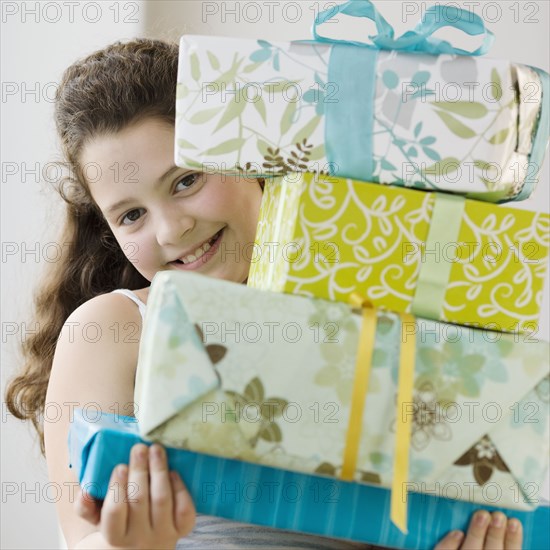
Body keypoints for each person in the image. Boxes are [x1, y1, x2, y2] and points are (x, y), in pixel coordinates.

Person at [5, 38, 524, 550]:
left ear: (254, 160)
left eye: (186, 181)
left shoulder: (375, 317)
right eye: (132, 215)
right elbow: (83, 538)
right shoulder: (116, 330)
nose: (170, 228)